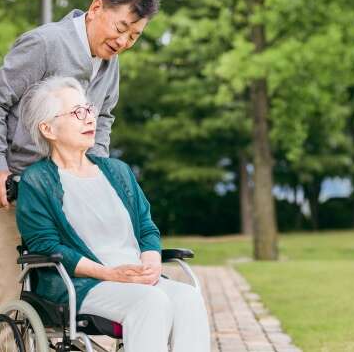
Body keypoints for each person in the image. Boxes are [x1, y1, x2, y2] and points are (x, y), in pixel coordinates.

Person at [0, 0, 159, 320]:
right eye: (120, 28)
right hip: (15, 182)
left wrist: (97, 174)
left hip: (70, 190)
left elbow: (103, 117)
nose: (123, 41)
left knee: (81, 283)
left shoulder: (110, 62)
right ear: (96, 8)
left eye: (134, 36)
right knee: (6, 291)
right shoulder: (45, 44)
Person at [16, 76, 210, 352]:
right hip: (81, 284)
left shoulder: (117, 172)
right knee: (151, 302)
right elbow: (46, 245)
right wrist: (109, 273)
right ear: (48, 128)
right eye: (77, 112)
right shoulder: (37, 181)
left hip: (135, 278)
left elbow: (146, 227)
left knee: (188, 298)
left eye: (89, 109)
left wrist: (152, 260)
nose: (89, 118)